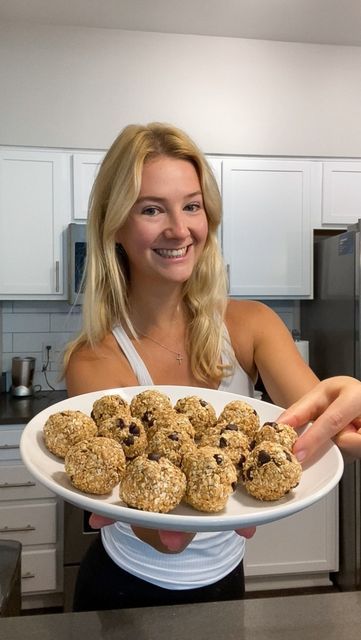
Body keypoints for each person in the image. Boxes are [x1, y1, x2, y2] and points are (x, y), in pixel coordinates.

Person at [64, 122, 361, 612]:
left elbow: (329, 432)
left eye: (192, 205)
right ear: (115, 223)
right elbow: (153, 528)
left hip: (226, 582)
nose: (179, 229)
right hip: (123, 590)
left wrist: (349, 397)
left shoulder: (251, 324)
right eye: (152, 208)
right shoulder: (95, 359)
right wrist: (173, 529)